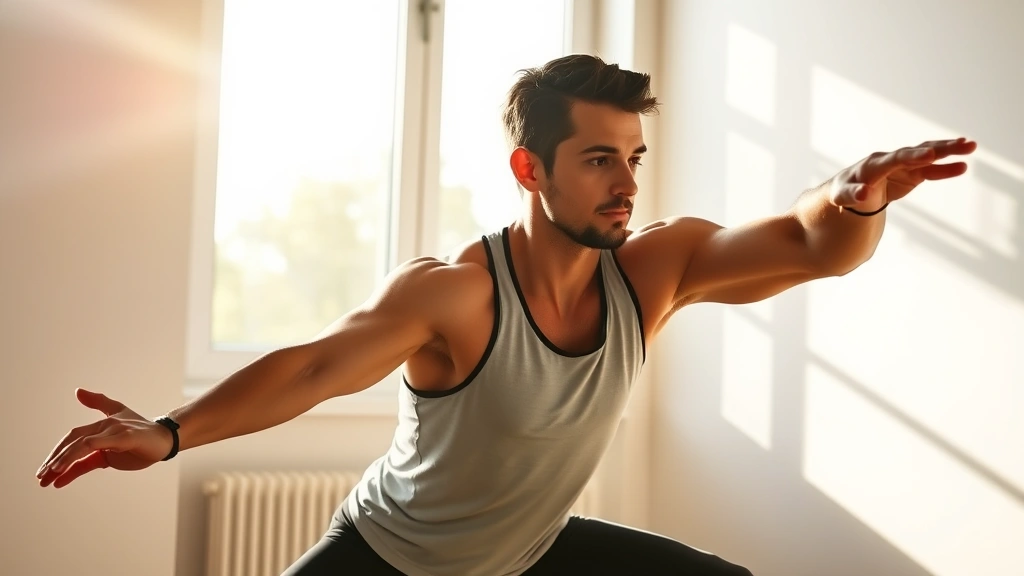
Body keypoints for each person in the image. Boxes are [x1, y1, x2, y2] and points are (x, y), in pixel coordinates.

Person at [35, 54, 976, 575]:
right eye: (600, 159)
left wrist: (855, 197)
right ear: (532, 170)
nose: (626, 184)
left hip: (527, 554)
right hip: (392, 558)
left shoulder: (654, 271)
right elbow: (317, 367)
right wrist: (166, 432)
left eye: (634, 158)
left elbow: (813, 247)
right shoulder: (455, 293)